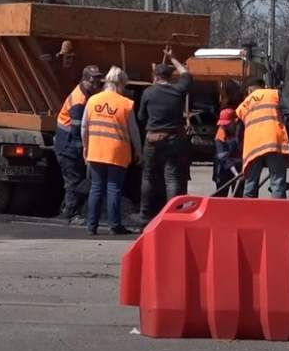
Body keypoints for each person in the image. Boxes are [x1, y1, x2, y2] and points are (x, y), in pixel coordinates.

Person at [132, 47, 192, 227]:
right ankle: (173, 215)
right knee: (172, 177)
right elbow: (186, 74)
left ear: (155, 77)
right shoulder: (178, 90)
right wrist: (173, 58)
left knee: (148, 176)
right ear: (169, 77)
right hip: (175, 139)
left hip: (153, 139)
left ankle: (145, 214)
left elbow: (141, 117)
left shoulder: (148, 93)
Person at [81, 66, 141, 235]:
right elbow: (134, 131)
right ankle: (115, 225)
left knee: (96, 188)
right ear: (120, 84)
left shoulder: (92, 100)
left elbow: (84, 127)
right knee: (114, 188)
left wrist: (86, 147)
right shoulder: (125, 104)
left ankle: (91, 226)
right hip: (117, 152)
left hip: (96, 150)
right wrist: (139, 151)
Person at [54, 65, 104, 223]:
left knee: (73, 179)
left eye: (98, 80)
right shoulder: (79, 102)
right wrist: (86, 152)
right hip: (68, 145)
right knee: (74, 180)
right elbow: (77, 132)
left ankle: (66, 209)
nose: (96, 84)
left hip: (68, 142)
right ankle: (71, 214)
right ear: (84, 79)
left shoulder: (85, 93)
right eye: (93, 81)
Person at [236, 77, 289, 198]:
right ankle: (278, 215)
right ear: (263, 87)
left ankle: (249, 214)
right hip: (274, 142)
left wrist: (239, 151)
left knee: (250, 184)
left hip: (252, 148)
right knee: (277, 183)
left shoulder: (244, 104)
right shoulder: (274, 94)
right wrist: (286, 130)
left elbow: (239, 132)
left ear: (249, 90)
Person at [212, 108, 242, 197]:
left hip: (239, 166)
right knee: (221, 197)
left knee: (239, 199)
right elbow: (223, 157)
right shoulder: (220, 135)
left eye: (227, 124)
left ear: (235, 121)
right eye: (223, 124)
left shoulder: (242, 131)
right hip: (223, 169)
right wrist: (236, 173)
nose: (224, 126)